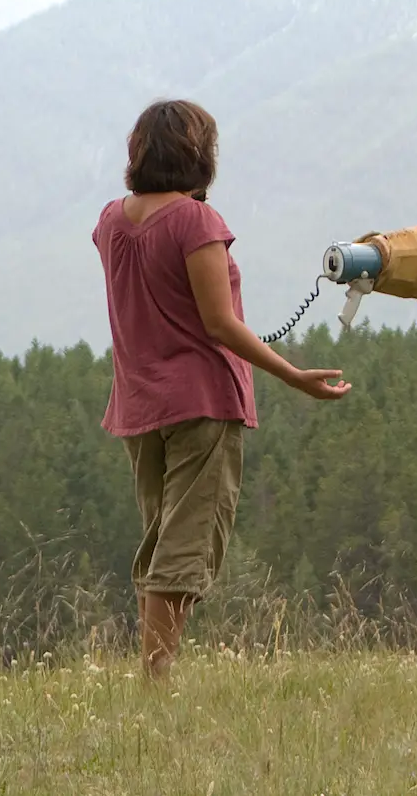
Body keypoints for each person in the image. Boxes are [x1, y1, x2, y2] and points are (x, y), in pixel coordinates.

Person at [95, 98, 350, 678]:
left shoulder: (112, 220)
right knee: (183, 549)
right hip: (202, 402)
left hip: (139, 405)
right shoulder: (197, 222)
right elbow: (218, 323)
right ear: (198, 154)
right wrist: (292, 375)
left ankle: (153, 676)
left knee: (161, 539)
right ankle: (155, 685)